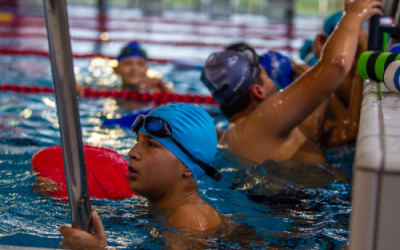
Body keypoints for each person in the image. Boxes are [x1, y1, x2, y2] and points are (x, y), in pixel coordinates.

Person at [200, 0, 383, 164]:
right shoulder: (266, 117)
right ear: (258, 91)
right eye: (266, 77)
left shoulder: (230, 136)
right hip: (308, 200)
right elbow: (335, 65)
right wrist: (353, 15)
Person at [58, 104, 223, 249]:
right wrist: (54, 193)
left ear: (187, 165)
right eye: (137, 141)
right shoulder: (156, 207)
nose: (132, 152)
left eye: (151, 144)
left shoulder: (192, 219)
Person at [77, 42, 172, 95]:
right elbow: (80, 90)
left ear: (146, 70)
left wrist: (165, 88)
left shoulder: (156, 93)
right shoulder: (108, 92)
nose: (134, 68)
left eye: (140, 64)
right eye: (128, 63)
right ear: (116, 70)